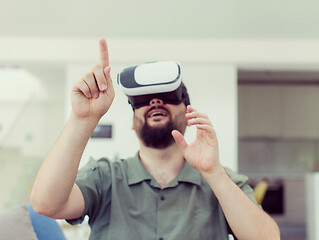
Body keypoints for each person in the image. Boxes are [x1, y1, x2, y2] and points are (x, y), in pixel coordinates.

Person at [30, 39, 280, 240]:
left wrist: (213, 173)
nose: (155, 102)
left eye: (168, 95)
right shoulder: (105, 177)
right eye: (142, 99)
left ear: (188, 112)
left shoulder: (221, 181)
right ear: (132, 121)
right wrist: (82, 119)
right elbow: (45, 204)